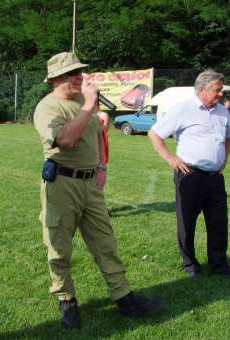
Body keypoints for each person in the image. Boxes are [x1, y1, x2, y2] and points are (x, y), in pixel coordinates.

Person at [34, 51, 161, 329]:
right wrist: (89, 104)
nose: (80, 76)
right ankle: (66, 300)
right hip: (62, 184)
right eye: (73, 73)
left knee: (106, 243)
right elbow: (65, 139)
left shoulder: (84, 103)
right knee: (59, 247)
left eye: (81, 71)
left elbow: (98, 138)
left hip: (90, 184)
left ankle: (125, 299)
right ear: (55, 79)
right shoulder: (48, 107)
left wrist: (101, 166)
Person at [148, 69, 230, 279]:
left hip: (215, 178)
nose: (221, 94)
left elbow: (229, 135)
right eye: (217, 89)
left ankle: (219, 266)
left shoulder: (222, 111)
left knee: (218, 222)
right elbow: (155, 134)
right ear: (202, 89)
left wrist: (224, 158)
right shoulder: (183, 109)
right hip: (190, 176)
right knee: (187, 222)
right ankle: (190, 264)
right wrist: (172, 160)